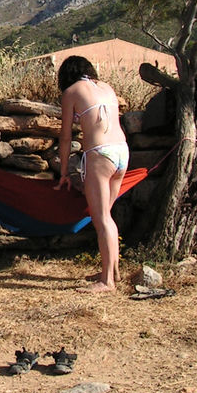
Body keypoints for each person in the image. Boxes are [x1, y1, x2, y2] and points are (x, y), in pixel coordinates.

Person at [55, 55, 128, 293]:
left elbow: (65, 137)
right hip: (122, 152)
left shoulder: (72, 92)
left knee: (101, 218)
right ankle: (112, 270)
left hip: (100, 153)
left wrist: (64, 172)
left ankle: (106, 282)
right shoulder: (107, 87)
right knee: (107, 214)